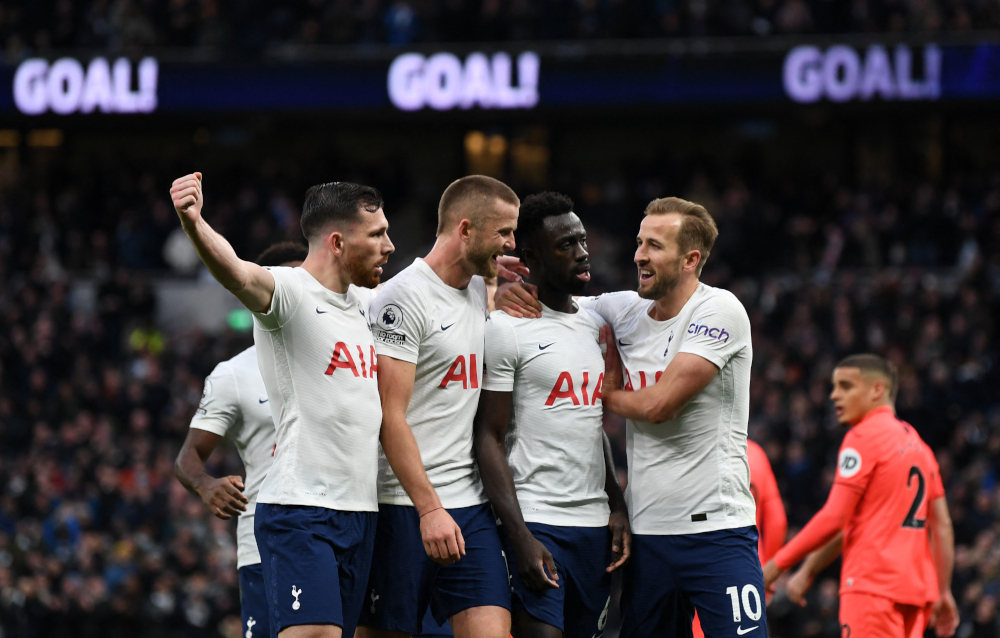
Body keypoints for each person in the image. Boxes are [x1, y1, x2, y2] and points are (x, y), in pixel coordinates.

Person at [170, 173, 447, 638]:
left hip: (361, 513)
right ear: (337, 242)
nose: (389, 246)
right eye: (377, 234)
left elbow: (433, 294)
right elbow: (235, 271)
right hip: (301, 509)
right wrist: (193, 222)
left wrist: (493, 287)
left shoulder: (368, 304)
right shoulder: (291, 294)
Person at [498, 196, 765, 638]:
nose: (639, 254)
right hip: (648, 538)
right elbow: (558, 303)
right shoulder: (621, 310)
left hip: (718, 531)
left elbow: (660, 405)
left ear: (690, 259)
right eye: (640, 242)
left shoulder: (720, 311)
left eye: (655, 245)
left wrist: (606, 395)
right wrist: (501, 291)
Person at [358, 175, 520, 638]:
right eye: (503, 232)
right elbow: (390, 416)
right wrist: (429, 509)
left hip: (469, 505)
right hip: (403, 505)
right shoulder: (401, 299)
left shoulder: (475, 288)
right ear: (465, 229)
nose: (511, 244)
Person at [473, 192, 631, 638]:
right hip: (537, 520)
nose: (582, 253)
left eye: (582, 240)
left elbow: (589, 421)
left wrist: (615, 503)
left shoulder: (594, 323)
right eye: (566, 245)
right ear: (531, 257)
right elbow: (488, 434)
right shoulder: (506, 328)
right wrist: (519, 534)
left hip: (593, 526)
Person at [762, 354, 960, 638]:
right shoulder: (919, 446)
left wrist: (776, 565)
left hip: (872, 589)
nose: (834, 395)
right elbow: (941, 525)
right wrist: (943, 591)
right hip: (916, 594)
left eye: (846, 386)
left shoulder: (863, 437)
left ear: (877, 390)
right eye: (833, 386)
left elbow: (835, 517)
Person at [175, 241, 308, 638]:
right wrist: (205, 484)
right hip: (265, 545)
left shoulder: (347, 356)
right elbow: (189, 455)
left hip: (346, 527)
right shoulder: (234, 374)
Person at [692, 438, 786, 638]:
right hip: (749, 567)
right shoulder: (756, 453)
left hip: (703, 569)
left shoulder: (695, 451)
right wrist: (766, 572)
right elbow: (778, 522)